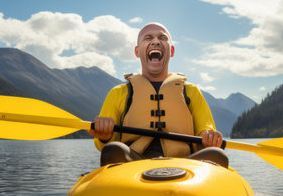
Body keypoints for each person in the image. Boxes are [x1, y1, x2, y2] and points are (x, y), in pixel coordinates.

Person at [89, 22, 229, 168]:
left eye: (162, 37)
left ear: (172, 51)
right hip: (133, 164)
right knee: (113, 150)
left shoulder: (191, 92)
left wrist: (210, 136)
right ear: (137, 52)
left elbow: (205, 130)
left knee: (216, 155)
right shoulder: (118, 93)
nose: (155, 41)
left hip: (185, 164)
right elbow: (103, 145)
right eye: (148, 38)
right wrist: (104, 137)